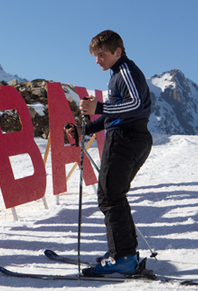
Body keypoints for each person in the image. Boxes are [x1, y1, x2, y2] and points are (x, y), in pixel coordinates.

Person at [66, 30, 153, 275]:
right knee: (112, 195)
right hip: (127, 136)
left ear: (118, 51)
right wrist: (86, 128)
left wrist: (99, 106)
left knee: (110, 196)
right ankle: (124, 251)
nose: (97, 61)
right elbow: (114, 114)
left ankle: (124, 256)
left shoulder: (125, 71)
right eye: (95, 56)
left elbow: (135, 106)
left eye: (101, 55)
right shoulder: (117, 73)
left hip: (127, 138)